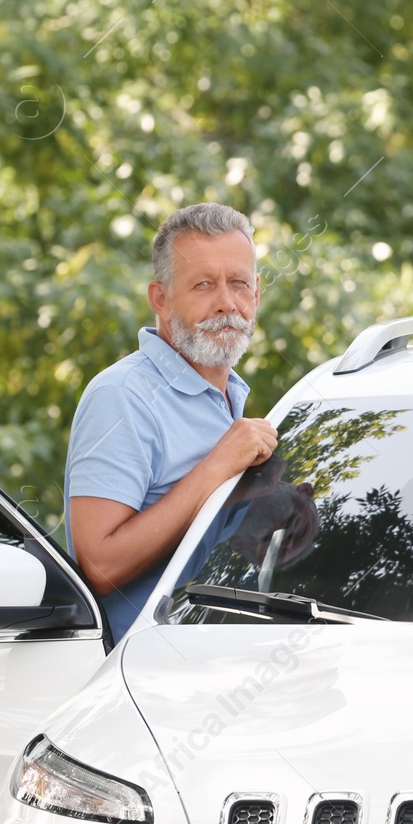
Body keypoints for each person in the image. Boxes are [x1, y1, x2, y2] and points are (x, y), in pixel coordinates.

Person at [64, 203, 278, 638]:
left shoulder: (230, 395)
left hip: (232, 661)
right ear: (160, 300)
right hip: (146, 683)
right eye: (203, 285)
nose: (226, 304)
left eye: (238, 284)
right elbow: (100, 567)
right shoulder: (122, 396)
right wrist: (218, 466)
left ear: (256, 293)